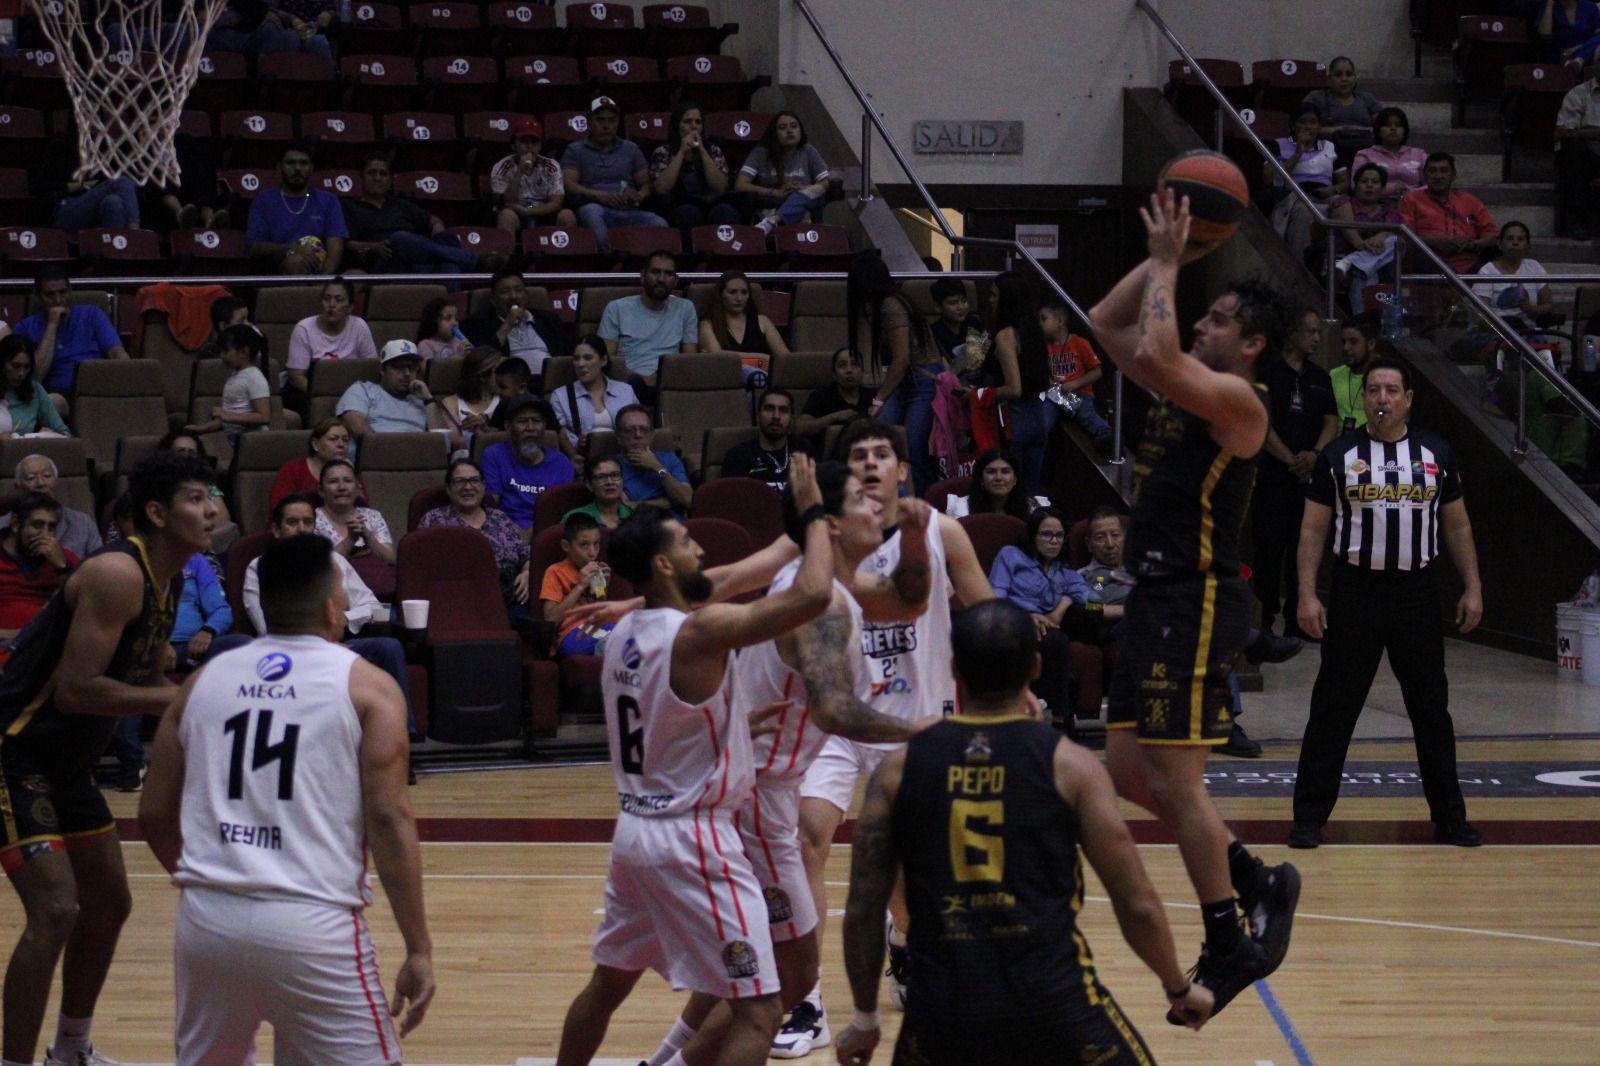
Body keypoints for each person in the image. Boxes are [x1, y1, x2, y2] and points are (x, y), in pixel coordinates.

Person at [833, 599, 1213, 1066]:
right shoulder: (1072, 766)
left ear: (954, 669)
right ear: (1035, 666)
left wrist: (865, 1017)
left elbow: (863, 908)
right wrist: (1178, 986)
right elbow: (1137, 903)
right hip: (1054, 1004)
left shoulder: (897, 770)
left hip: (942, 1014)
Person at [1087, 190, 1300, 1020]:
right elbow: (1106, 323)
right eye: (1201, 314)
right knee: (1127, 772)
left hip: (1197, 596)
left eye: (1219, 319)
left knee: (1177, 782)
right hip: (1155, 597)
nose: (1201, 323)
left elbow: (1157, 346)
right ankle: (1253, 878)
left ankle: (1227, 936)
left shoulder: (1241, 402)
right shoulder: (1184, 385)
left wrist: (1174, 266)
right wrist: (1163, 256)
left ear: (1252, 345)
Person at [641, 461, 932, 1066]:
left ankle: (663, 1061)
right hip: (759, 799)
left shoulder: (819, 582)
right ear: (830, 524)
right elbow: (832, 710)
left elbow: (909, 598)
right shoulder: (821, 604)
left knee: (747, 965)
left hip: (748, 787)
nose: (876, 505)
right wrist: (922, 730)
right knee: (785, 979)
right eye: (862, 499)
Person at [552, 462, 835, 1066]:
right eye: (686, 541)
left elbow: (665, 718)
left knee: (605, 988)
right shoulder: (698, 633)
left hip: (634, 833)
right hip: (694, 839)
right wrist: (813, 512)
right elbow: (811, 595)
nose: (699, 548)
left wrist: (732, 728)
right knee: (761, 1010)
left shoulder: (623, 632)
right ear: (662, 565)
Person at [138, 533, 434, 1065]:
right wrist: (418, 948)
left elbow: (154, 812)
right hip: (314, 925)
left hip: (208, 922)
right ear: (331, 607)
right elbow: (389, 818)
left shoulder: (200, 683)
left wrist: (210, 881)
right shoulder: (368, 687)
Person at [0, 453, 216, 1066]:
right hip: (12, 751)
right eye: (196, 498)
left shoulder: (170, 581)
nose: (212, 510)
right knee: (55, 909)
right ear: (157, 513)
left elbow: (146, 680)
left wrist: (202, 704)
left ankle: (70, 1050)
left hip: (65, 764)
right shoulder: (118, 572)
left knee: (111, 903)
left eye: (211, 497)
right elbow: (77, 690)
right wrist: (184, 699)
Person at [1292, 357, 1485, 848]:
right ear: (1364, 399)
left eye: (1392, 390)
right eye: (1374, 390)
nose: (1382, 399)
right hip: (1355, 592)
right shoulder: (1337, 455)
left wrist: (1473, 586)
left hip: (1417, 594)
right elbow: (1312, 530)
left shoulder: (1436, 452)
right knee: (1333, 707)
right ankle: (1309, 818)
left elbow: (1457, 525)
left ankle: (1450, 818)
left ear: (1408, 399)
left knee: (1431, 709)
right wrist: (1307, 594)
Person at [1255, 308, 1339, 642]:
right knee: (1268, 549)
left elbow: (1331, 421)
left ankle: (1297, 621)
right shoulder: (1267, 372)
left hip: (1309, 479)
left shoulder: (1320, 377)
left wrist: (1315, 455)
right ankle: (1262, 620)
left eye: (1318, 332)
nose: (1316, 338)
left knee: (1301, 549)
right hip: (1273, 476)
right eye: (1310, 331)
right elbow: (1260, 423)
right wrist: (1290, 459)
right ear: (1291, 333)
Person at [987, 506, 1092, 725]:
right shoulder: (1011, 555)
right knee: (1055, 641)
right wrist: (1026, 616)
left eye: (1059, 536)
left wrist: (1063, 605)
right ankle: (1059, 718)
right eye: (1046, 534)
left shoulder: (1064, 571)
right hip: (1010, 621)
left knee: (1055, 639)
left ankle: (1056, 717)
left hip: (1046, 628)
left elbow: (1092, 596)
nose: (1054, 541)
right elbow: (995, 597)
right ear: (1033, 536)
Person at [853, 254, 945, 492]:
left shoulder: (891, 305)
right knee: (883, 436)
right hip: (907, 381)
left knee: (914, 446)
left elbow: (901, 359)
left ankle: (926, 500)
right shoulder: (889, 303)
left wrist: (878, 399)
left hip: (921, 380)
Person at [342, 153, 488, 275]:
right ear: (361, 178)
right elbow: (345, 244)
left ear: (390, 181)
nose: (377, 178)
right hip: (384, 262)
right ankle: (476, 261)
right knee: (398, 238)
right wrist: (374, 247)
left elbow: (433, 220)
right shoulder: (349, 207)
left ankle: (450, 298)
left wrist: (438, 229)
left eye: (383, 174)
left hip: (417, 261)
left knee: (448, 242)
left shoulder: (399, 204)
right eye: (372, 173)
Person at [560, 94, 669, 251]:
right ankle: (608, 262)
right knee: (592, 214)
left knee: (660, 224)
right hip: (596, 208)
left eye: (611, 120)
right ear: (589, 122)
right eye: (600, 120)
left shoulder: (631, 149)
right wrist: (598, 195)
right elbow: (568, 185)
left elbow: (646, 184)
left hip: (629, 209)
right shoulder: (575, 150)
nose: (606, 126)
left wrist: (639, 195)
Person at [420, 458, 531, 613]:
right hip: (456, 599)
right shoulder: (434, 520)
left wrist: (527, 573)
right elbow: (419, 564)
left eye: (474, 480)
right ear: (449, 489)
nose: (468, 487)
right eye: (460, 481)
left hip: (507, 597)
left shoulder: (500, 518)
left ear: (483, 486)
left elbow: (526, 555)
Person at [983, 271, 1055, 496]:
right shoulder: (1034, 331)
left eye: (994, 295)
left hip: (1013, 421)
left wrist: (980, 394)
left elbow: (1014, 388)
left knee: (1009, 494)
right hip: (1038, 420)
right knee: (1031, 492)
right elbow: (1045, 379)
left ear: (1007, 299)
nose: (990, 300)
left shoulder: (1006, 336)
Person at [14, 268, 130, 399]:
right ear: (38, 297)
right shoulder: (25, 327)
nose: (58, 300)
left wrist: (126, 380)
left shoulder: (92, 314)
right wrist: (52, 325)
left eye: (62, 292)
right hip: (55, 397)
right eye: (50, 295)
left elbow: (116, 352)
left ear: (70, 291)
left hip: (96, 392)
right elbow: (35, 378)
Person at [599, 250, 699, 393]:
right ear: (642, 276)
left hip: (669, 384)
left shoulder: (685, 308)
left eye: (668, 274)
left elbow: (689, 360)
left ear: (676, 281)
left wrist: (661, 379)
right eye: (655, 272)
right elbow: (607, 360)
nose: (661, 279)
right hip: (628, 383)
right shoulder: (616, 308)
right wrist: (643, 379)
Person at [245, 142, 347, 274]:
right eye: (291, 163)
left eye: (303, 163)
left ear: (311, 168)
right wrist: (292, 248)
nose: (297, 168)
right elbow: (254, 247)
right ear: (279, 167)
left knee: (357, 275)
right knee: (296, 262)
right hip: (277, 270)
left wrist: (324, 280)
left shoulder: (328, 200)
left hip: (321, 271)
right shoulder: (263, 200)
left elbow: (335, 247)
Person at [480, 394, 576, 535]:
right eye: (522, 421)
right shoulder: (494, 455)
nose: (530, 428)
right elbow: (490, 507)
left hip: (546, 532)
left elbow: (562, 513)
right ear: (508, 426)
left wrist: (532, 533)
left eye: (536, 421)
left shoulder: (562, 463)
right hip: (503, 532)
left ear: (544, 426)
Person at [0, 493, 76, 664]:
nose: (45, 535)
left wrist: (61, 567)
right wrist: (16, 634)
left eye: (51, 527)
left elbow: (79, 605)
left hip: (48, 649)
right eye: (37, 525)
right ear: (15, 524)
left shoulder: (65, 559)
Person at [650, 100, 740, 240]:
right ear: (677, 125)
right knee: (688, 213)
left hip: (710, 202)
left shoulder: (713, 150)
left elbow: (721, 187)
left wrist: (702, 150)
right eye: (688, 121)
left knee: (725, 211)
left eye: (698, 122)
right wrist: (681, 152)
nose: (694, 126)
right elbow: (661, 188)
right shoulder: (663, 152)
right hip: (679, 204)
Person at [1267, 106, 1344, 266]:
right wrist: (1298, 153)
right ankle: (1300, 265)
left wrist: (1333, 189)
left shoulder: (1330, 146)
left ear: (1319, 126)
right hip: (1296, 196)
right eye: (1303, 122)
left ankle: (1337, 263)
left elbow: (1345, 182)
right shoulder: (1279, 144)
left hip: (1325, 195)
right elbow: (1270, 178)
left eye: (1313, 122)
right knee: (1304, 211)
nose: (1308, 127)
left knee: (1343, 205)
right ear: (1293, 126)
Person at [1397, 153, 1498, 275]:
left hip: (1470, 265)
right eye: (1432, 171)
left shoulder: (1470, 201)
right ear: (1424, 175)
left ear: (1453, 175)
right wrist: (1435, 242)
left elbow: (1492, 234)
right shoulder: (1411, 200)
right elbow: (1404, 236)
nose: (1438, 176)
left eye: (1444, 171)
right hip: (1428, 264)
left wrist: (1472, 244)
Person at [461, 268, 570, 381]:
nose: (513, 296)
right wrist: (507, 325)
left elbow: (565, 353)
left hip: (551, 382)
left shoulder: (548, 319)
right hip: (510, 385)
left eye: (518, 290)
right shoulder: (480, 323)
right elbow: (482, 361)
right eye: (505, 292)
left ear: (526, 295)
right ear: (493, 300)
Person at [734, 111, 830, 235]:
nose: (789, 131)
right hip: (771, 204)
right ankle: (777, 218)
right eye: (782, 128)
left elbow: (824, 183)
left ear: (800, 130)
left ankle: (773, 221)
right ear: (774, 133)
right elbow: (740, 185)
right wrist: (774, 192)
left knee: (817, 191)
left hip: (801, 202)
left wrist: (802, 188)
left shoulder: (808, 151)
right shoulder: (761, 153)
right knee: (801, 210)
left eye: (794, 126)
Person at [548, 332, 639, 462]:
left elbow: (639, 425)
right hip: (585, 460)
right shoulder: (560, 396)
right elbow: (559, 435)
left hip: (624, 457)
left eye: (588, 358)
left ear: (603, 360)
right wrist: (577, 444)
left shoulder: (625, 391)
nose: (580, 364)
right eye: (576, 358)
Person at [283, 277, 378, 400]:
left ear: (350, 307)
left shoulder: (359, 326)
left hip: (353, 396)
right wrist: (324, 396)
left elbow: (371, 370)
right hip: (311, 395)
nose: (331, 305)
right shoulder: (304, 328)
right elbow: (296, 377)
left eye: (339, 300)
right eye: (327, 299)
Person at [1038, 297, 1112, 449]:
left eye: (1044, 319)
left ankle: (1105, 435)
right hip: (1055, 394)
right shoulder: (1045, 346)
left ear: (1059, 321)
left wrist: (1074, 384)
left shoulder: (1080, 343)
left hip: (1079, 393)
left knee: (1086, 413)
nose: (1040, 323)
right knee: (1043, 419)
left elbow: (1097, 371)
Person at [538, 511, 612, 657]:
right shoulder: (555, 572)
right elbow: (550, 620)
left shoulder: (596, 569)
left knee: (630, 635)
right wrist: (580, 586)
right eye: (584, 545)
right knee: (614, 645)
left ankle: (611, 647)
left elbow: (601, 608)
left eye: (596, 544)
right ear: (566, 546)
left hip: (599, 626)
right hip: (572, 633)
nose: (592, 553)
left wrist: (603, 587)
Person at [1329, 162, 1401, 311]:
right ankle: (1364, 320)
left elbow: (1391, 229)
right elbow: (1349, 230)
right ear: (1355, 185)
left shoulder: (1389, 208)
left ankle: (1354, 263)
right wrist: (1364, 246)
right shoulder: (1343, 202)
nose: (1369, 185)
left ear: (1382, 188)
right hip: (1343, 256)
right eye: (1364, 181)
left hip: (1372, 263)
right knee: (1368, 270)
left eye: (1375, 182)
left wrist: (1381, 236)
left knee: (1396, 241)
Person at [183, 323, 271, 442]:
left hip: (253, 443)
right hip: (236, 442)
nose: (221, 356)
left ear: (244, 351)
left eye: (225, 351)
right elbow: (227, 419)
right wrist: (204, 428)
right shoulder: (235, 376)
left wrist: (229, 416)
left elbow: (264, 416)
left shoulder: (254, 377)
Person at [7, 454, 102, 559]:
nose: (40, 483)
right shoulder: (4, 524)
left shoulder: (83, 523)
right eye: (31, 478)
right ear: (18, 486)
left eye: (47, 476)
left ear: (56, 481)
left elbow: (100, 563)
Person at [491, 117, 576, 235]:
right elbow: (506, 202)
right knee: (506, 216)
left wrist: (528, 211)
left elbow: (556, 202)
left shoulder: (551, 166)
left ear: (540, 146)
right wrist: (520, 172)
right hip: (516, 213)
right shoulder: (502, 167)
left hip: (542, 212)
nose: (529, 146)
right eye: (524, 141)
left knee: (567, 215)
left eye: (534, 142)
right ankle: (506, 248)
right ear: (513, 145)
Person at [336, 339, 431, 440]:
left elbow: (441, 438)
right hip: (377, 448)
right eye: (399, 367)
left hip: (419, 449)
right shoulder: (363, 390)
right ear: (382, 370)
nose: (407, 373)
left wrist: (429, 399)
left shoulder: (421, 399)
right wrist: (386, 447)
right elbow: (356, 427)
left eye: (412, 368)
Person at [721, 387, 811, 492]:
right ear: (758, 415)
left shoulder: (805, 450)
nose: (776, 416)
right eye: (769, 409)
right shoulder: (738, 456)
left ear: (791, 417)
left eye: (783, 410)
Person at [1473, 221, 1554, 335]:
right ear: (1500, 244)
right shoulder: (1487, 271)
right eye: (1510, 238)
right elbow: (1480, 314)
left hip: (1529, 333)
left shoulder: (1534, 267)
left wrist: (1531, 309)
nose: (1515, 243)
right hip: (1496, 333)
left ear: (1528, 246)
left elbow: (1548, 305)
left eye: (1520, 239)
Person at [1301, 55, 1382, 168]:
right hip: (1325, 153)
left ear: (1355, 78)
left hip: (1365, 153)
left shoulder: (1367, 99)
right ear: (1329, 79)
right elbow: (1305, 128)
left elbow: (1382, 128)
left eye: (1349, 74)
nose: (1344, 79)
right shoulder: (1316, 98)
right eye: (1338, 75)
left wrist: (1354, 130)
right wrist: (1341, 130)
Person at [315, 457, 396, 568]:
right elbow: (318, 568)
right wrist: (350, 540)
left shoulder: (373, 516)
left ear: (358, 488)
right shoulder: (311, 520)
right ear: (321, 490)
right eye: (333, 481)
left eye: (348, 481)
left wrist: (367, 536)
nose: (342, 487)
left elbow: (392, 560)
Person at [698, 270, 790, 364]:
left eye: (744, 292)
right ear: (720, 295)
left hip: (761, 372)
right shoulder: (707, 324)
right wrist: (759, 357)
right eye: (732, 292)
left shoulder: (762, 321)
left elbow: (786, 358)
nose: (739, 298)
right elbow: (716, 357)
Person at [269, 415, 361, 508]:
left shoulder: (350, 471)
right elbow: (279, 507)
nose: (341, 445)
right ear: (315, 444)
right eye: (333, 439)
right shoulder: (293, 470)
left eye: (345, 440)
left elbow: (363, 506)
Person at [613, 403, 692, 512]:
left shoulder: (670, 460)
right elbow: (619, 509)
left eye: (644, 429)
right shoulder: (611, 466)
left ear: (651, 435)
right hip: (636, 522)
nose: (638, 435)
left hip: (673, 521)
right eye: (629, 430)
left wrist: (658, 468)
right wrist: (669, 502)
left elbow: (687, 500)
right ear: (618, 436)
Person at [426, 345, 502, 452]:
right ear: (483, 376)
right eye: (499, 371)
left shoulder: (506, 400)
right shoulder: (451, 403)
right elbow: (456, 442)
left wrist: (487, 425)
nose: (505, 376)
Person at [1555, 62, 1600, 239]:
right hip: (1589, 156)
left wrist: (1588, 132)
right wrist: (1593, 134)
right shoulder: (1578, 94)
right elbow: (1563, 132)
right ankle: (1578, 220)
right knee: (1573, 149)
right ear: (1596, 67)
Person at [167, 551, 231, 668]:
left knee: (241, 643)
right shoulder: (136, 559)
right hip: (151, 646)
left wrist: (208, 631)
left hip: (194, 646)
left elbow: (221, 610)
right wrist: (160, 645)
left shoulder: (196, 560)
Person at [942, 449, 1047, 518]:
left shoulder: (1033, 509)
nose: (998, 478)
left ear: (1015, 479)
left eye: (1005, 472)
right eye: (991, 472)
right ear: (981, 479)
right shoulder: (961, 509)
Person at [1352, 107, 1428, 202]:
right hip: (1375, 204)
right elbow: (1356, 186)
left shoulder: (1419, 154)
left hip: (1415, 202)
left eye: (1398, 125)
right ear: (1378, 131)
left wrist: (1411, 193)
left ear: (1405, 131)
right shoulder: (1365, 155)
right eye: (1387, 125)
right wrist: (1394, 188)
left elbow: (1430, 183)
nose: (1393, 128)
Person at [795, 347, 872, 440]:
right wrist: (835, 417)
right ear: (834, 374)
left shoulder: (873, 396)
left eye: (855, 364)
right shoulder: (820, 396)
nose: (849, 370)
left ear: (862, 372)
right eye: (842, 365)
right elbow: (799, 428)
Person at [1, 334, 70, 436]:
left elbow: (65, 433)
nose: (21, 373)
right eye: (15, 366)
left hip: (26, 445)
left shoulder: (35, 390)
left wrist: (49, 435)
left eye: (26, 367)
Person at [1077, 506, 1133, 626]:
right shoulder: (1090, 578)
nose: (1110, 544)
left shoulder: (1140, 568)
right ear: (1089, 544)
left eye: (1115, 535)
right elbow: (1090, 607)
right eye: (1100, 538)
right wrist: (1129, 610)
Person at [927, 278, 988, 379]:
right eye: (953, 303)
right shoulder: (933, 333)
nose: (960, 307)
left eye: (964, 301)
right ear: (938, 307)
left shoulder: (974, 323)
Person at [1332, 312, 1381, 431]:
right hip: (1339, 440)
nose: (1346, 348)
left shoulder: (1384, 378)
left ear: (1371, 344)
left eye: (1353, 342)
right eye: (1343, 342)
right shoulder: (1334, 375)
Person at [562, 454, 633, 530]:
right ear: (589, 485)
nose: (609, 482)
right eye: (601, 477)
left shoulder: (633, 515)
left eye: (615, 475)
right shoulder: (575, 518)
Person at [1537, 0, 1600, 67]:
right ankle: (1580, 58)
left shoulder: (1589, 6)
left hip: (1588, 51)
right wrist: (1550, 4)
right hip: (1561, 54)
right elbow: (1545, 34)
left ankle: (1579, 58)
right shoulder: (1548, 7)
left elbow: (1597, 33)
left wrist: (1580, 48)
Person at [416, 297, 471, 362]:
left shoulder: (459, 343)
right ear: (433, 321)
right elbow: (429, 367)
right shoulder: (426, 345)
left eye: (456, 319)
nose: (454, 323)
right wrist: (458, 357)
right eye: (448, 318)